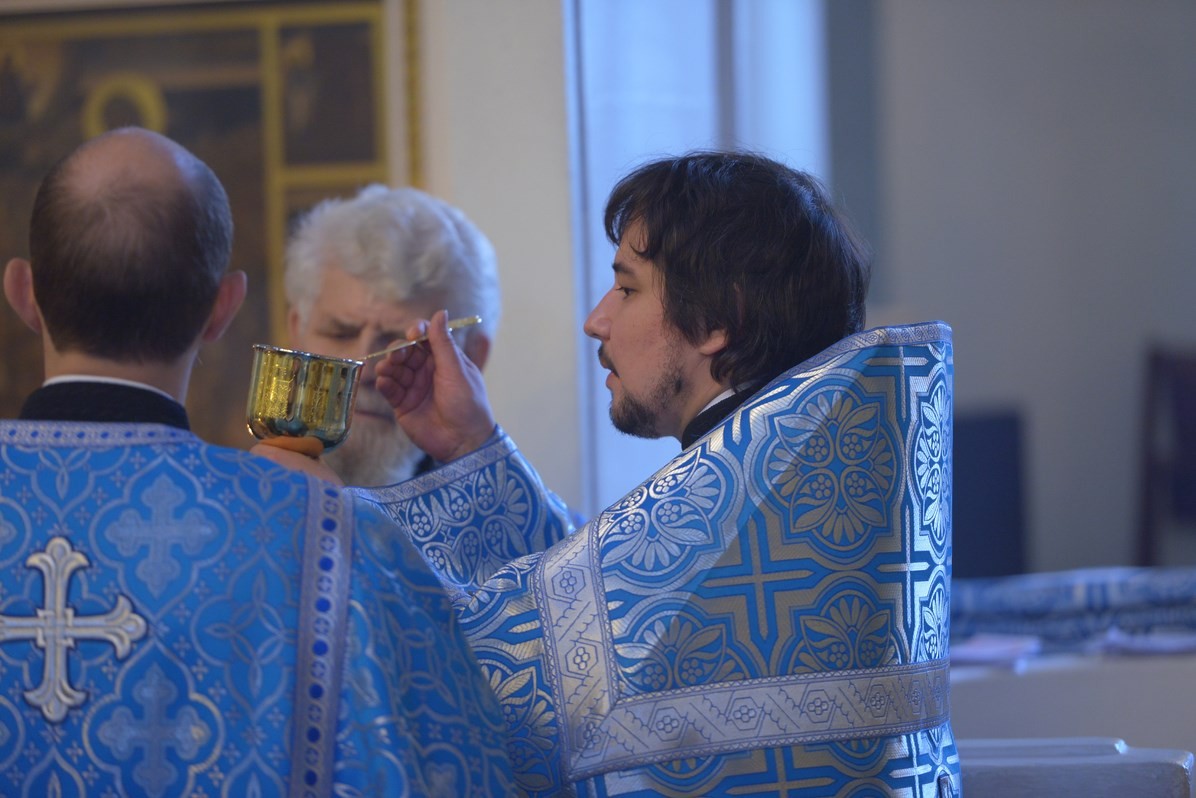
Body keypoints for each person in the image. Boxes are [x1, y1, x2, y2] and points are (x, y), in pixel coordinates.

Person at [350, 151, 961, 797]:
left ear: (718, 321)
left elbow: (483, 676)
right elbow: (589, 611)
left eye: (628, 288)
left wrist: (309, 504)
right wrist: (471, 447)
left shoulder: (733, 516)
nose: (596, 321)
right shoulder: (797, 492)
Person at [0, 127, 512, 796]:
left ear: (22, 292)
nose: (364, 367)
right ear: (224, 310)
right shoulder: (327, 536)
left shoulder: (325, 523)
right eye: (342, 331)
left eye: (394, 343)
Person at [283, 184, 499, 486]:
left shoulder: (498, 505)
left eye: (402, 343)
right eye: (341, 333)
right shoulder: (236, 498)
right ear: (297, 332)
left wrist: (474, 451)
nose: (364, 368)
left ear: (473, 355)